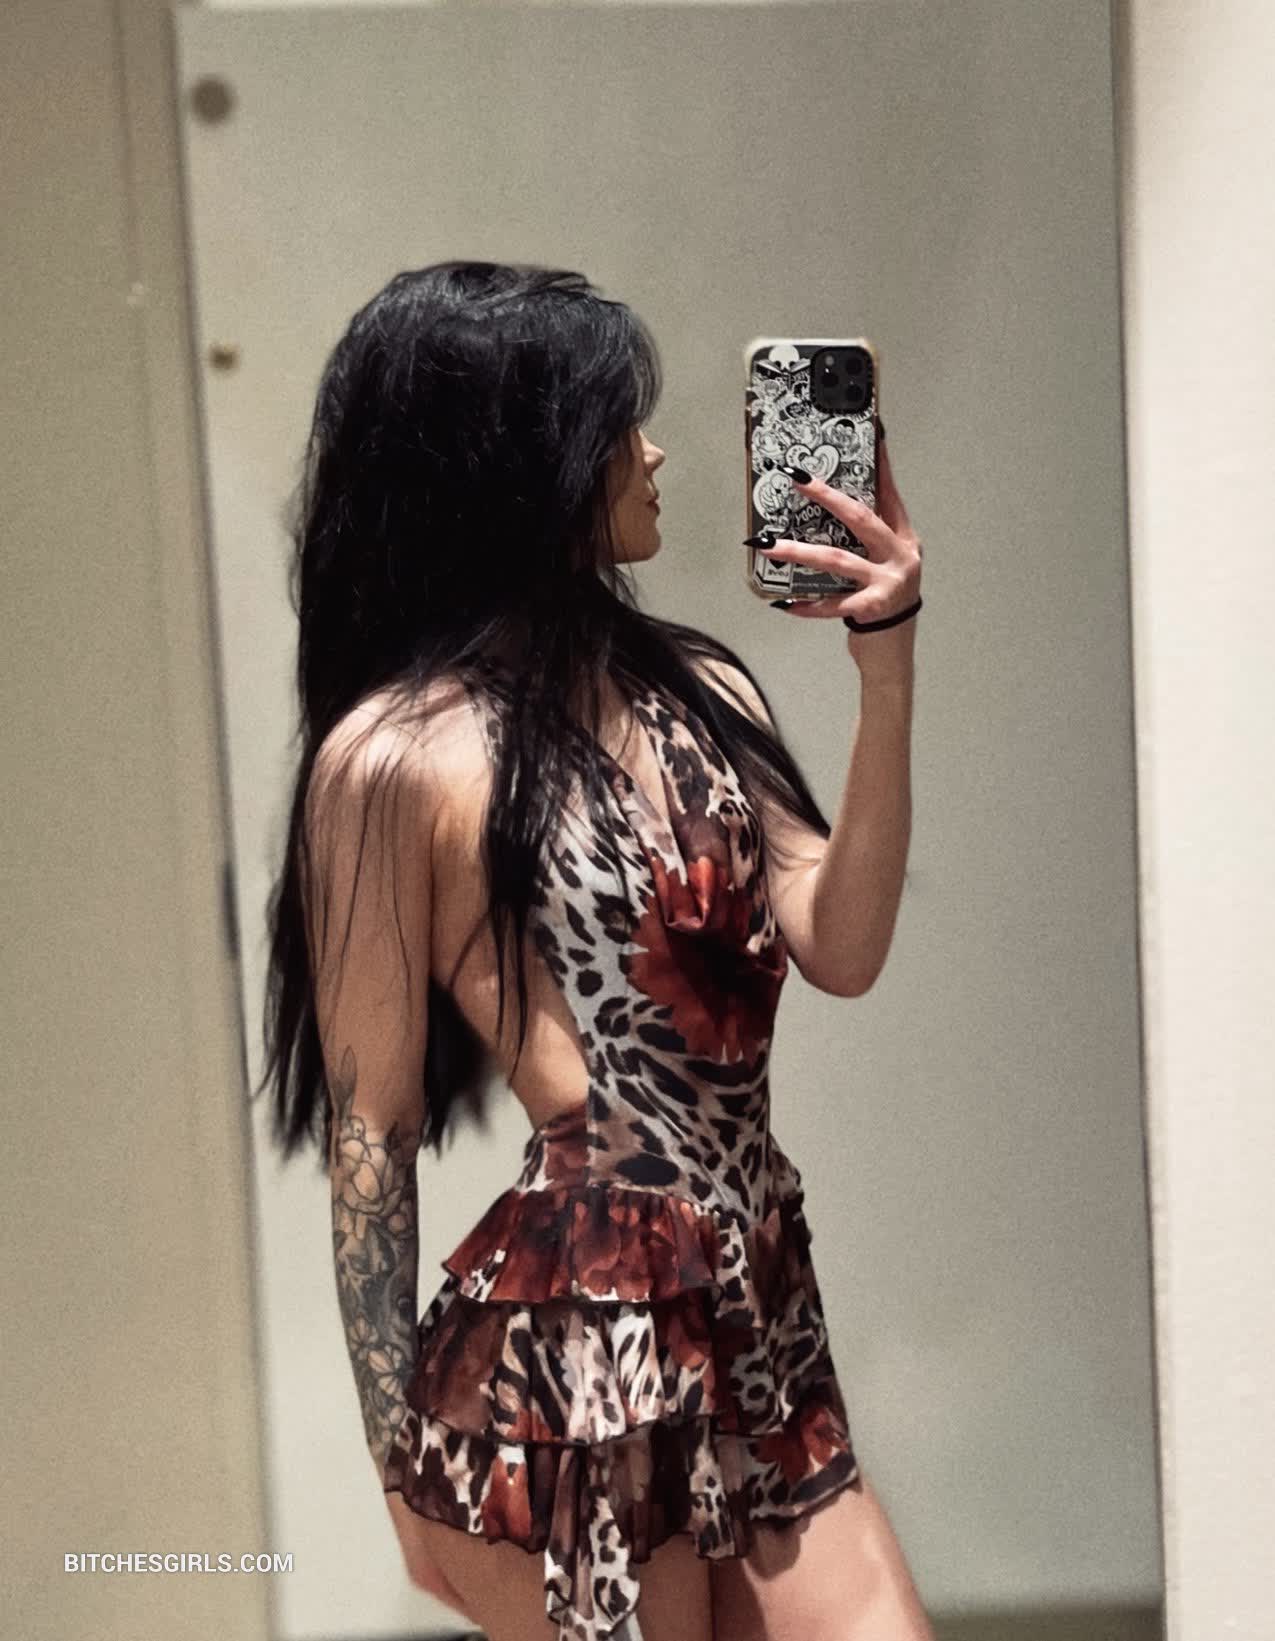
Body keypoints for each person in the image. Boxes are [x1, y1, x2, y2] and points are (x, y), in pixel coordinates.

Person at [258, 261, 932, 1641]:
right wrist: (401, 1465)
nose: (655, 451)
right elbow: (374, 1130)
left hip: (763, 1307)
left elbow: (843, 942)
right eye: (617, 425)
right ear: (524, 467)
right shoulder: (396, 759)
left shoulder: (704, 684)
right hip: (586, 1341)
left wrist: (887, 671)